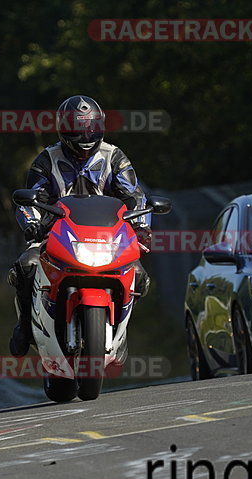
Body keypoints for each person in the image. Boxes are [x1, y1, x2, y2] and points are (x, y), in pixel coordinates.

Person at [8, 95, 152, 356]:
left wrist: (141, 227)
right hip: (56, 234)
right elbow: (31, 198)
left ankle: (119, 329)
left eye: (91, 127)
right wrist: (32, 224)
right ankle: (25, 326)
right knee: (26, 266)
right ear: (63, 129)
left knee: (140, 276)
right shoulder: (46, 160)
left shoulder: (114, 156)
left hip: (108, 237)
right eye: (77, 128)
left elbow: (134, 196)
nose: (85, 135)